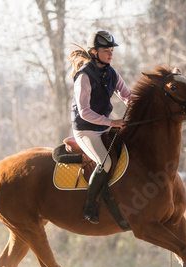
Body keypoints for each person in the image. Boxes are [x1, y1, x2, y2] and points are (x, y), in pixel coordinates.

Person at [68, 30, 132, 224]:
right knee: (106, 163)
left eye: (112, 50)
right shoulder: (84, 77)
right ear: (94, 52)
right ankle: (90, 207)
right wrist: (112, 122)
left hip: (103, 126)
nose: (111, 53)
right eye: (106, 50)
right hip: (85, 129)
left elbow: (128, 97)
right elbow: (85, 112)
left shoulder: (112, 73)